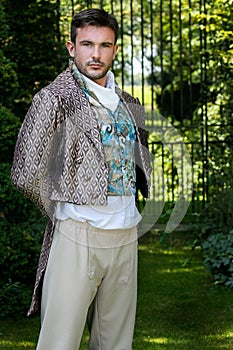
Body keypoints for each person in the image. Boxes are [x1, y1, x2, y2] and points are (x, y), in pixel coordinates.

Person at [11, 8, 151, 350]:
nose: (96, 54)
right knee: (60, 341)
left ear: (115, 50)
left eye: (105, 45)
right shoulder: (54, 99)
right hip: (79, 235)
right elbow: (25, 169)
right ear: (72, 48)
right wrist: (65, 209)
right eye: (87, 44)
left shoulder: (130, 104)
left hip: (125, 234)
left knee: (116, 343)